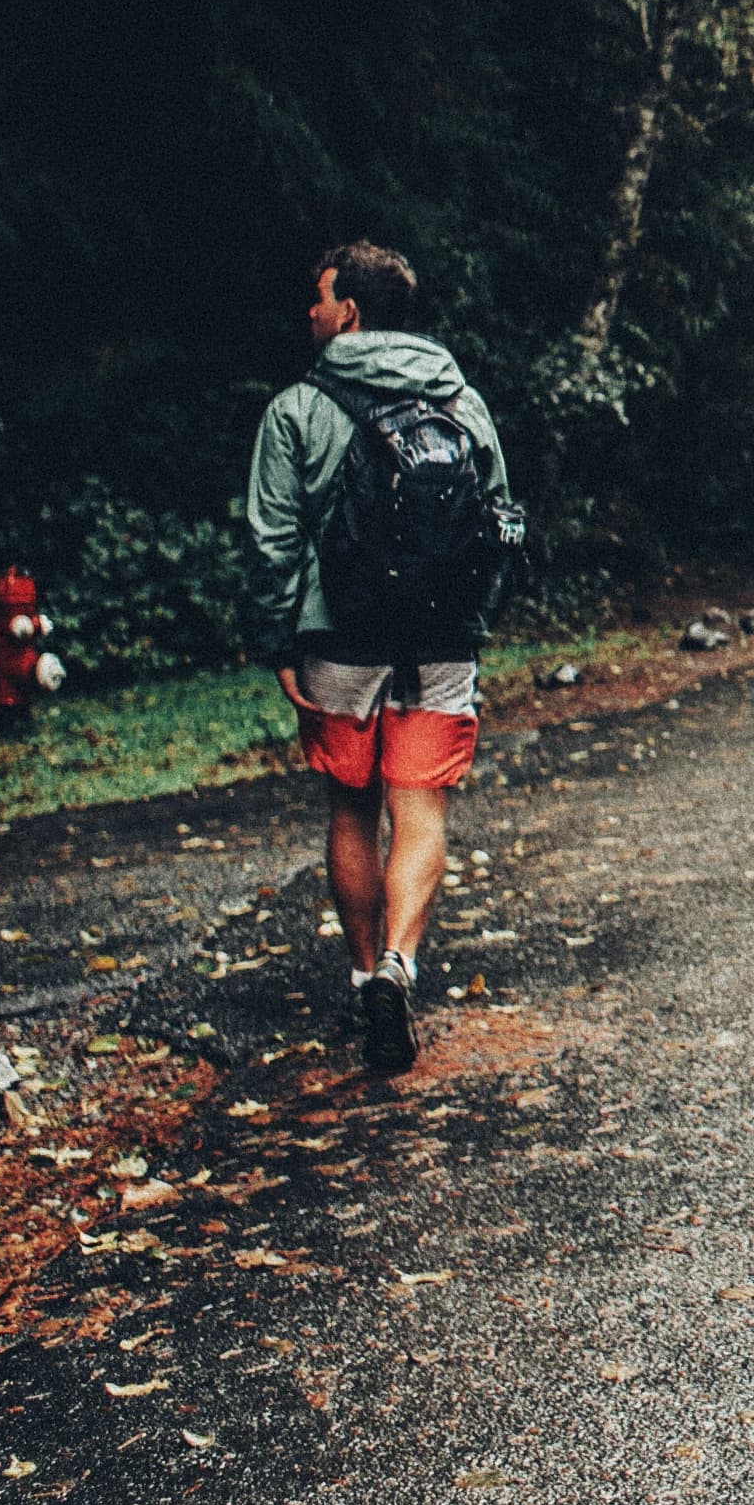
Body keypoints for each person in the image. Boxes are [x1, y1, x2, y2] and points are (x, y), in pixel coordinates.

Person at [243, 240, 521, 1078]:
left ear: (351, 313)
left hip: (339, 639)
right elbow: (500, 520)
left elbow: (272, 539)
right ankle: (402, 964)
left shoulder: (297, 408)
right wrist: (474, 619)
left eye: (322, 297)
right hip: (441, 637)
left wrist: (276, 639)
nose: (312, 310)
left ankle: (365, 976)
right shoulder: (462, 399)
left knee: (352, 807)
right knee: (422, 808)